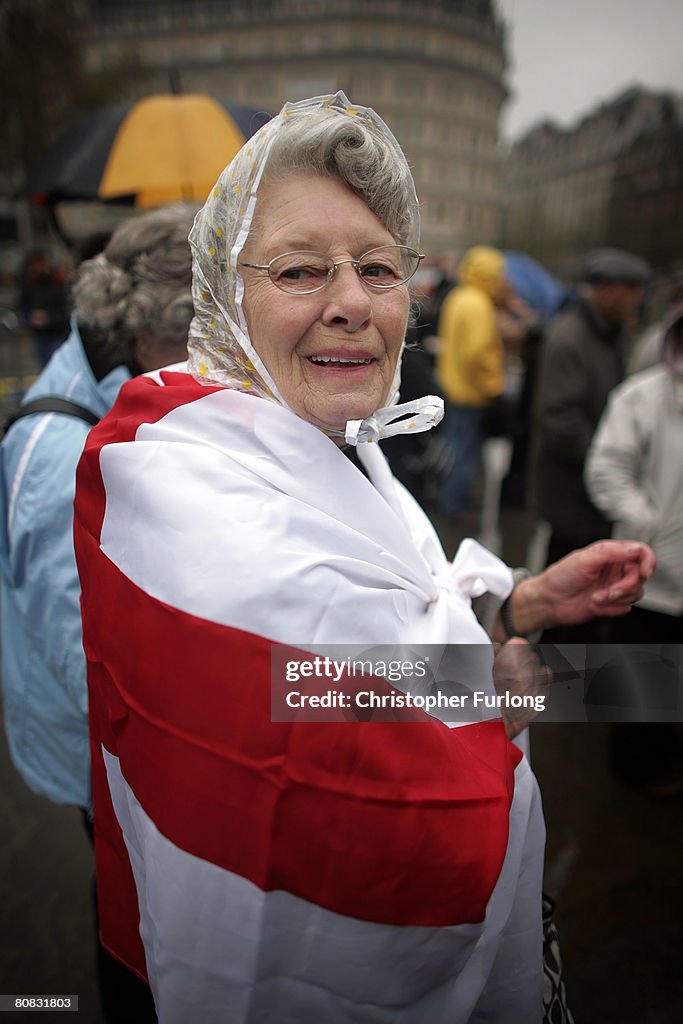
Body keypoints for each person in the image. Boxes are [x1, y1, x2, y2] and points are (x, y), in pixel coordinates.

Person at [73, 93, 654, 1024]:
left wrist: (518, 609)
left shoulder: (311, 427)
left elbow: (382, 647)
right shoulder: (211, 513)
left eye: (379, 268)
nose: (352, 303)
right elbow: (411, 819)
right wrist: (501, 697)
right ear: (225, 292)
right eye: (301, 270)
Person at [0, 204, 196, 1023]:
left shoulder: (127, 384)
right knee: (137, 915)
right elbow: (88, 661)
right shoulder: (55, 449)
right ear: (148, 335)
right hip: (104, 757)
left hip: (130, 742)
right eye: (201, 343)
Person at [585, 302, 683, 791]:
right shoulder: (642, 398)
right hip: (651, 576)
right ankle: (632, 772)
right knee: (642, 679)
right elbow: (605, 470)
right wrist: (650, 527)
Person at [532, 247, 651, 567]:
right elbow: (558, 419)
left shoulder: (615, 335)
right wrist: (607, 458)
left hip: (594, 493)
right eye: (632, 291)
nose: (638, 299)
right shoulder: (570, 338)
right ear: (608, 291)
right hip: (572, 492)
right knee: (566, 572)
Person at [435, 245, 507, 520]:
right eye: (499, 274)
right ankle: (455, 506)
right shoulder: (479, 304)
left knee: (454, 447)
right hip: (470, 392)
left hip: (453, 386)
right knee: (463, 453)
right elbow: (478, 353)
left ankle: (448, 500)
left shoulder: (459, 296)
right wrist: (492, 385)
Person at [17, 247, 71, 366]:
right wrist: (29, 318)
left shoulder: (58, 282)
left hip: (56, 333)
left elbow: (66, 310)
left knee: (55, 365)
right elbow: (23, 307)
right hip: (39, 334)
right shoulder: (31, 283)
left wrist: (48, 318)